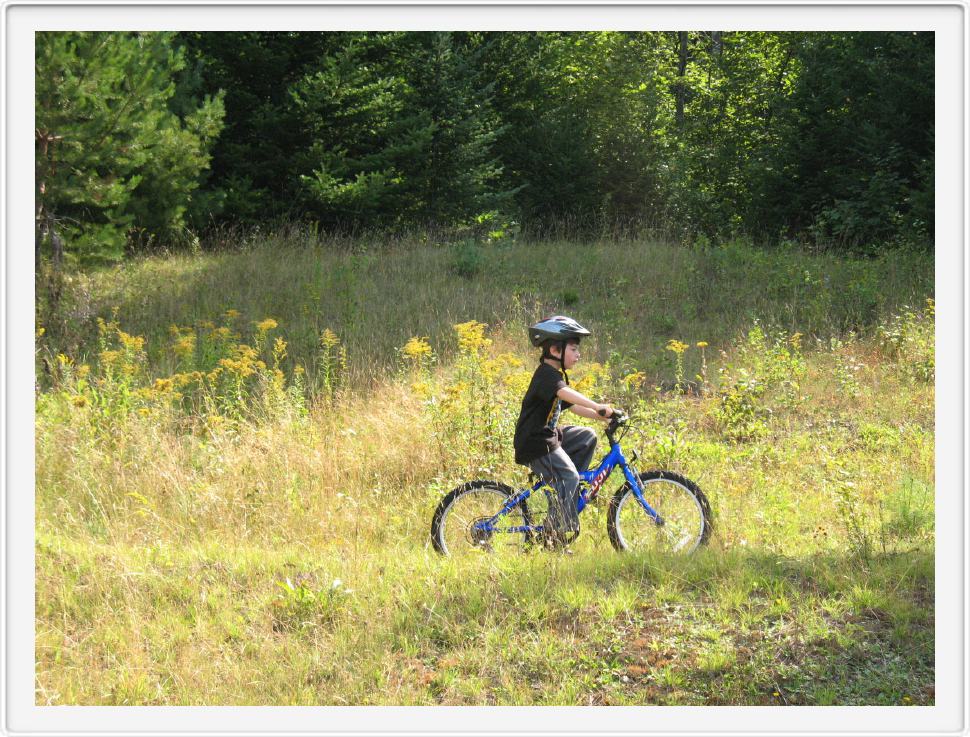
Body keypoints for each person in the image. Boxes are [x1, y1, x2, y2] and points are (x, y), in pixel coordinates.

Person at [513, 316, 618, 548]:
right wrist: (597, 405)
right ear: (554, 349)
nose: (578, 354)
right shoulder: (546, 376)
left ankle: (565, 495)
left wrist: (605, 414)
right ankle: (554, 536)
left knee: (587, 437)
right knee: (569, 476)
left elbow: (576, 406)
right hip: (535, 444)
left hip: (547, 437)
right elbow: (567, 394)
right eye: (573, 349)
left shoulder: (555, 376)